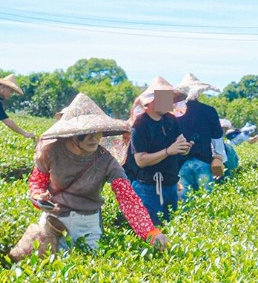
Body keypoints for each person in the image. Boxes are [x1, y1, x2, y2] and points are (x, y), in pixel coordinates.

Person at [11, 93, 167, 259]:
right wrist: (38, 196)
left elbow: (127, 198)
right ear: (73, 134)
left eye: (98, 132)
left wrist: (150, 232)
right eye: (87, 133)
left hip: (87, 225)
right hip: (54, 222)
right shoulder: (51, 151)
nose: (94, 139)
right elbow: (37, 182)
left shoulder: (106, 160)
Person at [124, 77, 191, 225]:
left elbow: (179, 145)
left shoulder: (171, 120)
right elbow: (140, 160)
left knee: (171, 228)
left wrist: (185, 148)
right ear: (151, 102)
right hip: (148, 188)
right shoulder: (140, 125)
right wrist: (168, 151)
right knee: (153, 231)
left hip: (171, 185)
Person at [174, 73, 226, 198]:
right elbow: (217, 139)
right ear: (199, 92)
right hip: (204, 161)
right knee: (205, 200)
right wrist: (220, 158)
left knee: (184, 203)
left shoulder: (175, 112)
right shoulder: (209, 110)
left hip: (180, 163)